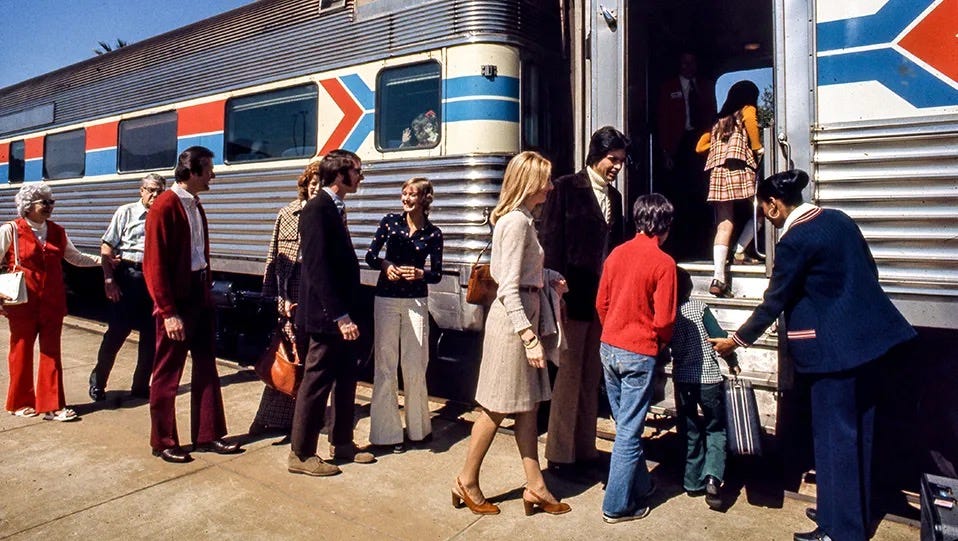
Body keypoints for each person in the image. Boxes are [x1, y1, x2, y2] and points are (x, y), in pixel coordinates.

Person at [711, 170, 916, 541]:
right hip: (869, 345)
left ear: (774, 204)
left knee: (833, 440)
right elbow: (867, 272)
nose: (767, 220)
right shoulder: (839, 220)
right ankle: (846, 513)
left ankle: (839, 531)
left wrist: (737, 340)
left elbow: (776, 300)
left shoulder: (795, 239)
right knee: (859, 437)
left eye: (765, 211)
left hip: (832, 353)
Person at [453, 151, 571, 517]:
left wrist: (548, 278)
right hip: (513, 328)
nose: (551, 187)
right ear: (530, 183)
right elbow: (507, 287)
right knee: (497, 407)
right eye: (546, 181)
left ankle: (535, 485)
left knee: (527, 407)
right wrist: (529, 337)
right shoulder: (517, 223)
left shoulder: (519, 220)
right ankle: (466, 480)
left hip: (520, 320)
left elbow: (515, 274)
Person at [538, 126, 627, 474]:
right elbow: (550, 241)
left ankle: (585, 449)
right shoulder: (565, 188)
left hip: (602, 300)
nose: (617, 166)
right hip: (571, 297)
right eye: (612, 159)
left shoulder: (615, 198)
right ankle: (560, 454)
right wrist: (554, 291)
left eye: (620, 161)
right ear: (596, 156)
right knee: (569, 377)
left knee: (592, 377)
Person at [144, 146, 240, 463]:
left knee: (206, 367)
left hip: (200, 296)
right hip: (178, 302)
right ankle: (163, 440)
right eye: (209, 168)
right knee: (167, 373)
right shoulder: (165, 206)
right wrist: (168, 312)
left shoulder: (195, 205)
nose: (213, 174)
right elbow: (154, 266)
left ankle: (208, 434)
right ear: (193, 171)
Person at [288, 149, 375, 477]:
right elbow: (317, 268)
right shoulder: (317, 209)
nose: (361, 177)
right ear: (341, 175)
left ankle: (341, 442)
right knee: (317, 382)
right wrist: (340, 316)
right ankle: (301, 453)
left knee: (346, 378)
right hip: (328, 317)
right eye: (357, 171)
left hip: (342, 313)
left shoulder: (334, 208)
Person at [595, 193, 677, 523]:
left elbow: (602, 303)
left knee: (624, 423)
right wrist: (660, 343)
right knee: (629, 432)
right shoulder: (664, 263)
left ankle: (641, 486)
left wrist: (614, 330)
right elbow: (665, 320)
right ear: (665, 226)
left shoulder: (616, 254)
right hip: (639, 351)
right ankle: (616, 506)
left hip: (609, 348)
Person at [1, 182, 100, 421]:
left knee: (51, 352)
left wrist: (103, 261)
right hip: (22, 301)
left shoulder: (57, 230)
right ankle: (20, 402)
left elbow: (75, 258)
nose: (49, 207)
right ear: (28, 205)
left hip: (52, 301)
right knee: (21, 351)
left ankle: (52, 405)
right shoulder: (11, 230)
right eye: (43, 202)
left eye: (51, 202)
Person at [366, 177, 443, 453]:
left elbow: (437, 273)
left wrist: (421, 273)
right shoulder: (389, 222)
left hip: (415, 302)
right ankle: (387, 435)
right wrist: (385, 263)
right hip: (386, 298)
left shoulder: (434, 234)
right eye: (404, 193)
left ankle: (418, 430)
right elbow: (370, 256)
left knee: (414, 364)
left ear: (425, 199)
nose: (406, 198)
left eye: (412, 194)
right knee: (385, 365)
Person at [251, 161, 323, 437]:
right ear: (305, 186)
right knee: (285, 359)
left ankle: (303, 422)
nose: (315, 187)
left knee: (310, 361)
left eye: (320, 182)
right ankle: (267, 420)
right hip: (291, 293)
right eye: (311, 182)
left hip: (316, 295)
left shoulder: (332, 215)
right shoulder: (287, 214)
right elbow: (274, 256)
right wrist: (275, 297)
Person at [89, 173, 167, 402]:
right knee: (116, 334)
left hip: (153, 281)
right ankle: (98, 382)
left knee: (151, 338)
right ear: (141, 190)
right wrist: (109, 279)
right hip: (128, 277)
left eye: (159, 191)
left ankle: (141, 387)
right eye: (150, 190)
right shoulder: (126, 212)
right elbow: (107, 246)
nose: (154, 195)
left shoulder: (164, 216)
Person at [670, 268, 740, 509]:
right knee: (715, 428)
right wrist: (733, 362)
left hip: (682, 379)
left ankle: (691, 482)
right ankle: (712, 478)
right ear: (690, 288)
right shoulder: (699, 308)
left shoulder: (669, 313)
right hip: (708, 378)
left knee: (690, 429)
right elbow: (719, 339)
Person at [695, 80, 765, 297]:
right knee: (762, 210)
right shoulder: (747, 110)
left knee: (724, 224)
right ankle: (740, 250)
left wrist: (719, 148)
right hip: (739, 168)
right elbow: (752, 122)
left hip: (718, 173)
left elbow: (699, 147)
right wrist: (757, 147)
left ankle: (718, 277)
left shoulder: (718, 121)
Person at [657, 51, 717, 261]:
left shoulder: (706, 87)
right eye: (684, 62)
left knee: (700, 195)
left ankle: (700, 244)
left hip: (700, 144)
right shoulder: (669, 87)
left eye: (692, 62)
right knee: (678, 196)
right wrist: (666, 151)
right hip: (678, 145)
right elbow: (663, 120)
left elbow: (711, 115)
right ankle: (679, 244)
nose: (688, 66)